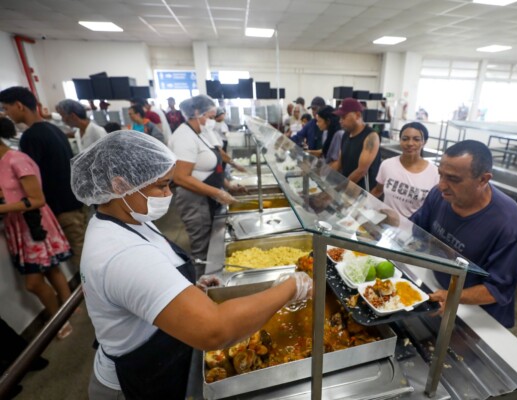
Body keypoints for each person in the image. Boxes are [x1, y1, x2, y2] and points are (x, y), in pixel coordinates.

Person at [70, 130, 312, 399]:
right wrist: (292, 287)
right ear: (119, 186)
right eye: (162, 185)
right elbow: (215, 330)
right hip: (135, 382)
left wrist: (184, 288)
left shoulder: (127, 219)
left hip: (157, 358)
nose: (169, 193)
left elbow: (147, 282)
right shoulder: (122, 254)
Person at [410, 140, 517, 328]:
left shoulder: (508, 224)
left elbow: (497, 289)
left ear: (483, 180)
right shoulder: (440, 196)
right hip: (439, 289)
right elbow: (417, 229)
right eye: (441, 175)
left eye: (453, 179)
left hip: (478, 312)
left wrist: (452, 295)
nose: (442, 185)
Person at [0, 117, 73, 339]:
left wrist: (3, 207)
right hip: (19, 225)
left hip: (33, 224)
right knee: (51, 269)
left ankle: (59, 319)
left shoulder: (16, 159)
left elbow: (37, 199)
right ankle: (67, 311)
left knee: (33, 282)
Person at [0, 86, 86, 268]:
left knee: (81, 261)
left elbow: (30, 178)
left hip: (62, 208)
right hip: (74, 201)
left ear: (19, 105)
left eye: (6, 108)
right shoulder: (53, 129)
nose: (7, 114)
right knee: (84, 253)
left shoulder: (31, 137)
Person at [168, 95, 242, 262]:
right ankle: (202, 276)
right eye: (210, 117)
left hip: (208, 195)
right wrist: (217, 192)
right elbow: (181, 177)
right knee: (202, 247)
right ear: (196, 113)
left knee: (212, 241)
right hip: (194, 199)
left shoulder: (200, 133)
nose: (212, 121)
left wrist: (227, 185)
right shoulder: (184, 137)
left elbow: (210, 166)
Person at [371, 122, 439, 218]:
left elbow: (434, 209)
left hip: (413, 226)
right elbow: (378, 190)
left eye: (416, 139)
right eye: (405, 139)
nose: (410, 143)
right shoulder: (387, 164)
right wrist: (363, 206)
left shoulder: (435, 174)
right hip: (386, 222)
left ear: (424, 142)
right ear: (400, 140)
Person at [330, 98, 382, 191]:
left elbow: (361, 171)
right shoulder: (346, 135)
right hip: (347, 188)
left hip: (362, 192)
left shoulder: (371, 137)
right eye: (340, 117)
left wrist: (339, 189)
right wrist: (323, 175)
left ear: (357, 115)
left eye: (343, 117)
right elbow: (339, 163)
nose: (340, 121)